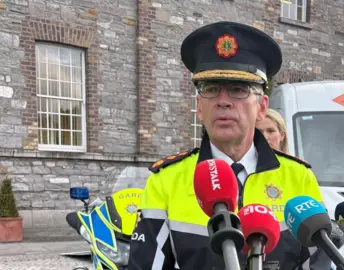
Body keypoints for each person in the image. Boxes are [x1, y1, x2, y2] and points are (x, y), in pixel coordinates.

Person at [128, 21, 331, 270]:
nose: (223, 101)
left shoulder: (298, 177)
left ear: (262, 107)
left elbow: (319, 263)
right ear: (199, 107)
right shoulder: (166, 181)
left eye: (238, 89)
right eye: (211, 89)